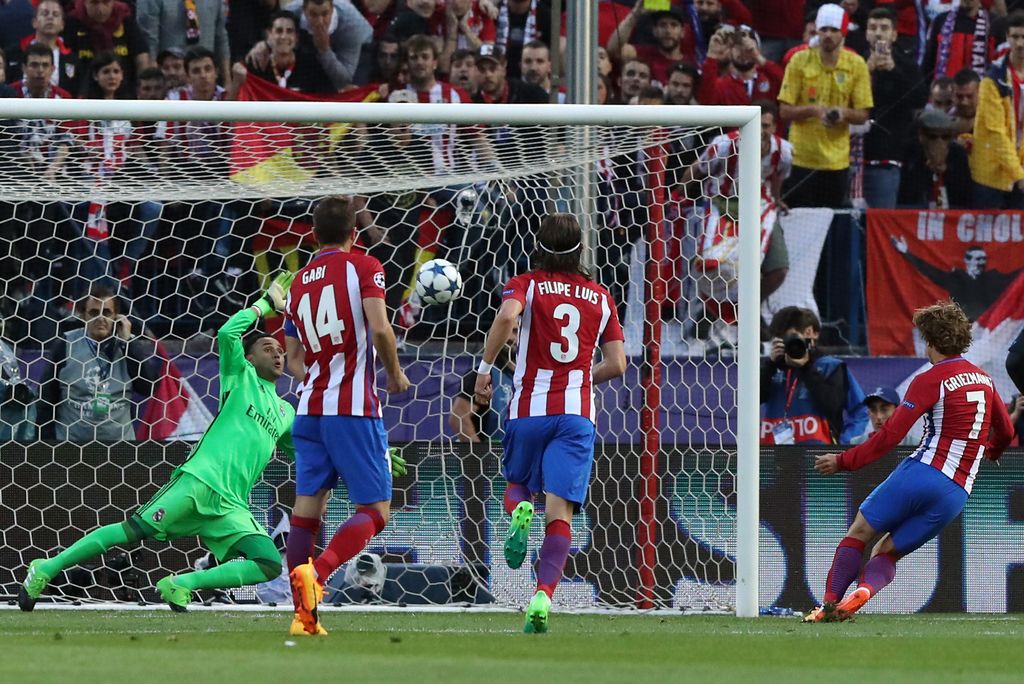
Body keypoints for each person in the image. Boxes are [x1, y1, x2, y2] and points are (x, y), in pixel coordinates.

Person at [20, 277, 300, 615]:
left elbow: (301, 453)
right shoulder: (238, 377)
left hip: (231, 504)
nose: (277, 353)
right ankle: (47, 567)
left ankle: (181, 584)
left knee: (268, 561)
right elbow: (227, 334)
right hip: (198, 481)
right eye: (267, 348)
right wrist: (265, 305)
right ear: (250, 358)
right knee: (132, 531)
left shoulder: (286, 412)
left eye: (280, 350)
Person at [806, 301, 1013, 622]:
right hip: (956, 494)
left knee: (859, 534)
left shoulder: (930, 379)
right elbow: (1007, 430)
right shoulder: (985, 381)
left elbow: (889, 436)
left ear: (929, 341)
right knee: (886, 553)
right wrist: (993, 451)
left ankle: (828, 605)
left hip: (923, 471)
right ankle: (864, 592)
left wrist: (843, 461)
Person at [474, 213, 627, 633]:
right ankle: (542, 596)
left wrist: (485, 369)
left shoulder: (527, 283)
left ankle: (520, 508)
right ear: (581, 248)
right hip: (576, 414)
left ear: (538, 247)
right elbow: (617, 364)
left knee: (517, 486)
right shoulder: (600, 296)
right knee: (560, 513)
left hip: (529, 407)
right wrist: (577, 378)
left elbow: (507, 317)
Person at [284, 196, 411, 636]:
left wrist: (319, 372)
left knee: (306, 513)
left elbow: (293, 357)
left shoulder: (297, 282)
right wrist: (394, 374)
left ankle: (303, 616)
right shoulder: (364, 266)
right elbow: (379, 327)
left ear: (313, 234)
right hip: (352, 408)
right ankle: (317, 576)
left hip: (308, 409)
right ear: (355, 231)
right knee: (375, 511)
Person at [778, 3, 873, 208]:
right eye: (824, 29)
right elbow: (784, 111)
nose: (828, 35)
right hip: (801, 158)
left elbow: (863, 113)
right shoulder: (799, 61)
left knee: (832, 225)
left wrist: (843, 113)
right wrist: (814, 110)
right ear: (817, 31)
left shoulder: (856, 65)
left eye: (834, 30)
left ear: (844, 32)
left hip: (836, 162)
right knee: (799, 221)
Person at [37, 286, 159, 443]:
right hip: (70, 447)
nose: (101, 318)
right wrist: (46, 444)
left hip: (119, 448)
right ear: (83, 316)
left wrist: (128, 343)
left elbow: (148, 387)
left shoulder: (129, 345)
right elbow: (46, 399)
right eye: (94, 313)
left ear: (117, 316)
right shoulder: (65, 345)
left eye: (107, 313)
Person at [760, 306, 863, 445]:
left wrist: (844, 444)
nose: (790, 343)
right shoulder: (772, 368)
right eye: (782, 338)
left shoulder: (830, 367)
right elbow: (746, 403)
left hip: (817, 458)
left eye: (792, 337)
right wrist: (770, 366)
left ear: (811, 333)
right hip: (773, 457)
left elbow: (855, 409)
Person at [860, 6, 925, 210]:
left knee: (881, 221)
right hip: (850, 157)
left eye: (884, 28)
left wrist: (894, 71)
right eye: (873, 27)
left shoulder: (907, 64)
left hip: (887, 157)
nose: (878, 32)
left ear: (895, 34)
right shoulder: (853, 62)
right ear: (866, 33)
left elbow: (920, 99)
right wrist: (865, 72)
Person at [888, 241, 1024, 322]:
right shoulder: (956, 279)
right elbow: (930, 271)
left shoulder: (993, 278)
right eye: (976, 259)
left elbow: (1016, 276)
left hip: (986, 332)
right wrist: (906, 252)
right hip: (961, 329)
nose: (980, 263)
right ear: (967, 260)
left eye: (983, 259)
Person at [970, 11, 1024, 210]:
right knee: (987, 240)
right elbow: (996, 134)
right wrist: (1018, 175)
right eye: (1015, 37)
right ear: (1007, 38)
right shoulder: (992, 80)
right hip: (991, 177)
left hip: (1020, 171)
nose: (1020, 43)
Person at [136, 0, 231, 85]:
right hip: (169, 80)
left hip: (204, 81)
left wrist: (227, 79)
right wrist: (153, 79)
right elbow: (149, 40)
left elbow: (221, 37)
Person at [897, 109, 973, 209]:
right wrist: (926, 170)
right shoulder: (909, 152)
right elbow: (904, 192)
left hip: (951, 211)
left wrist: (947, 171)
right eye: (933, 137)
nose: (939, 142)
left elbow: (966, 194)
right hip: (915, 210)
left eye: (945, 137)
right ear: (921, 135)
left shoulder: (957, 153)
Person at [849, 386, 919, 446]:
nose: (878, 417)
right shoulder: (856, 444)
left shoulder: (915, 445)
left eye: (884, 410)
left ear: (897, 412)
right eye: (873, 410)